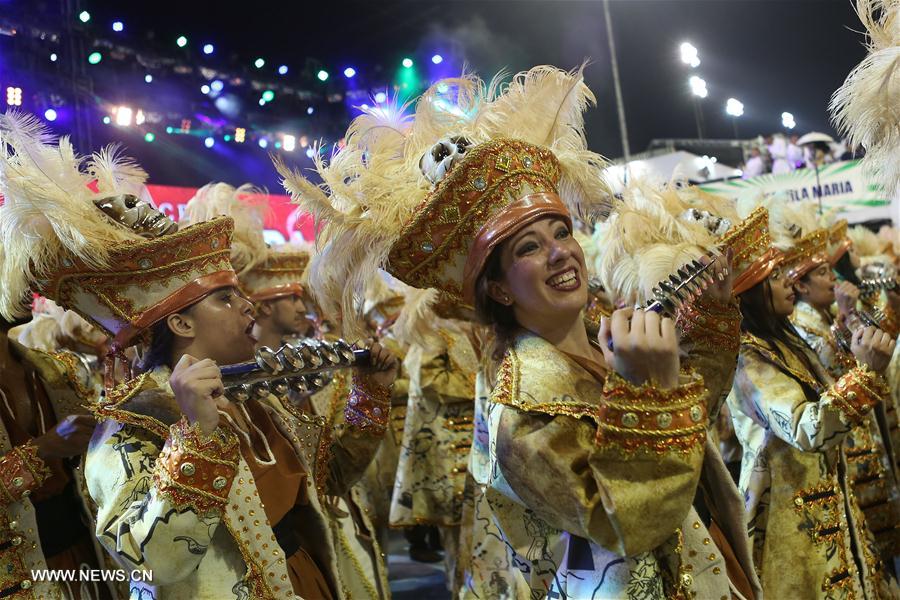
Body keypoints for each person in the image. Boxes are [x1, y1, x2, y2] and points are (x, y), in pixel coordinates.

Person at [282, 65, 758, 599]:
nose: (560, 251)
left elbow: (691, 423)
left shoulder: (607, 339)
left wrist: (709, 329)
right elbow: (628, 525)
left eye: (561, 231)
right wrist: (649, 391)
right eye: (528, 248)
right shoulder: (522, 410)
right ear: (501, 290)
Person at [0, 114, 399, 599]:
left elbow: (331, 480)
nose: (248, 305)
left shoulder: (259, 397)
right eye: (227, 299)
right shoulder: (130, 424)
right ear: (181, 324)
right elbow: (155, 564)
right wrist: (196, 436)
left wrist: (371, 394)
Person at [726, 196, 897, 598]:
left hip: (832, 512)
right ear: (750, 293)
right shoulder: (748, 360)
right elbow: (809, 428)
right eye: (774, 277)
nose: (786, 282)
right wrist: (866, 372)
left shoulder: (785, 342)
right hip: (790, 527)